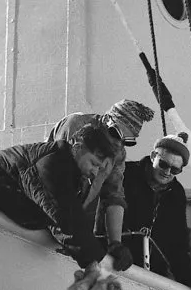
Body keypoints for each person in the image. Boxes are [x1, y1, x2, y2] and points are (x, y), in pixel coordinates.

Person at [0, 123, 132, 269]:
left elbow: (66, 216)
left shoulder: (72, 175)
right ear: (77, 148)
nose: (94, 171)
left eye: (99, 168)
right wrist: (97, 264)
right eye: (93, 163)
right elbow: (66, 218)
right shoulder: (51, 164)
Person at [49, 99, 156, 248]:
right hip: (47, 207)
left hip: (72, 216)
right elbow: (56, 176)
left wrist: (116, 244)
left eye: (127, 141)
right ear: (106, 120)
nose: (118, 144)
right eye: (116, 133)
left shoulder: (117, 153)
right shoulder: (75, 125)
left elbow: (114, 196)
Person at [120, 131, 191, 290]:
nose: (167, 172)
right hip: (119, 258)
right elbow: (105, 210)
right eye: (164, 165)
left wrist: (187, 278)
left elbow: (178, 240)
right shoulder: (126, 174)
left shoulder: (176, 193)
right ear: (153, 156)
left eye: (174, 170)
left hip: (152, 268)